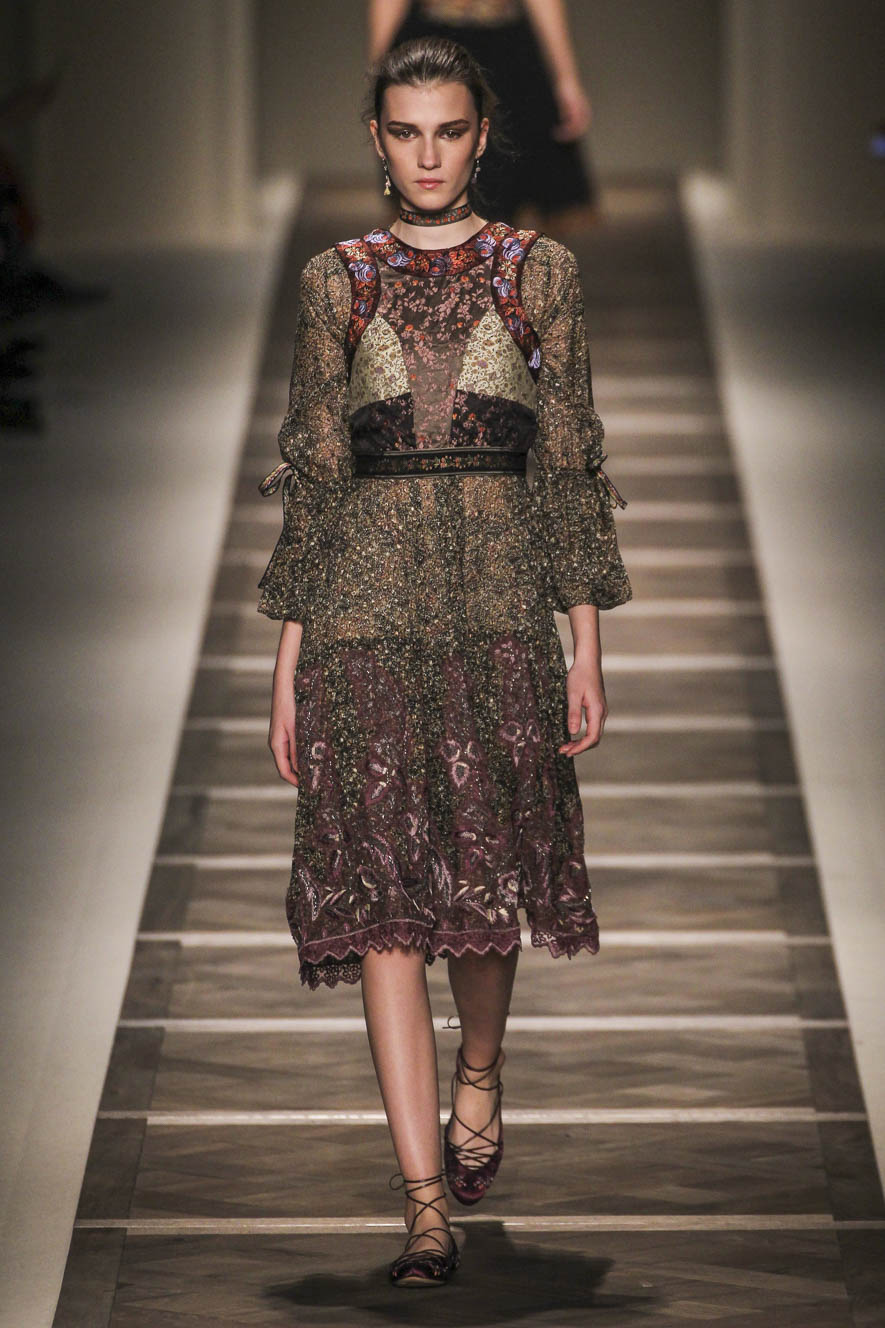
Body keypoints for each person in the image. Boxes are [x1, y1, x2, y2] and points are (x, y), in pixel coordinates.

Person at [257, 35, 630, 1288]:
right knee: (382, 911)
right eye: (407, 131)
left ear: (481, 136)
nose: (428, 154)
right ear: (378, 139)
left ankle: (481, 1064)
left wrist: (584, 639)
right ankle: (423, 1206)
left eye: (450, 131)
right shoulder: (335, 281)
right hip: (361, 621)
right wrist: (288, 655)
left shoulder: (541, 274)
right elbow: (316, 471)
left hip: (499, 613)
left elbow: (569, 459)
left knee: (480, 894)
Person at [367, 0, 599, 229]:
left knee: (510, 186)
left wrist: (566, 79)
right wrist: (380, 80)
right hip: (432, 49)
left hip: (508, 55)